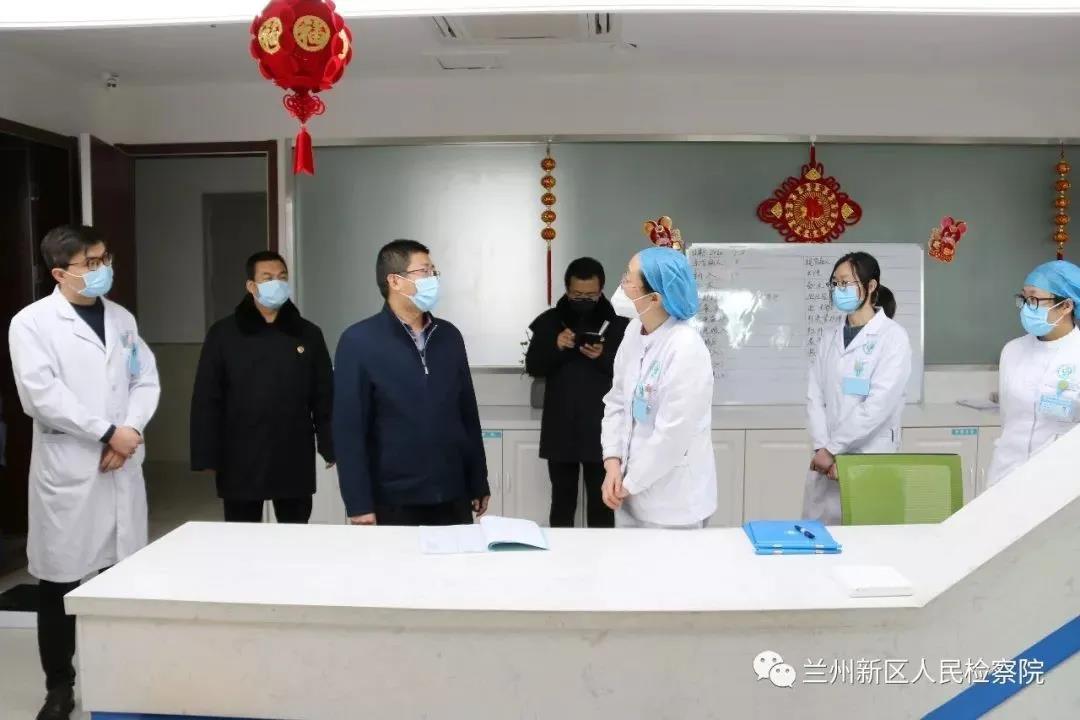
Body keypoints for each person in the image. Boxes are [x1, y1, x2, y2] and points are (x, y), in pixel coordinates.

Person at [8, 225, 160, 720]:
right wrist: (106, 433)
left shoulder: (120, 318)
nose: (103, 269)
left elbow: (145, 379)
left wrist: (128, 431)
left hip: (120, 460)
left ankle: (120, 679)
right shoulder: (32, 323)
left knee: (120, 578)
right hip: (72, 467)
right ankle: (59, 686)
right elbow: (42, 396)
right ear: (60, 273)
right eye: (91, 263)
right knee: (60, 583)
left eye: (104, 258)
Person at [333, 239, 490, 526]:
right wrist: (358, 503)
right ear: (395, 281)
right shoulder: (358, 341)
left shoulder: (449, 336)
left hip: (452, 493)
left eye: (434, 271)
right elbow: (349, 431)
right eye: (424, 271)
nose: (433, 279)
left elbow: (467, 413)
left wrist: (478, 479)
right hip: (394, 499)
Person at [190, 251, 334, 524]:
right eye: (267, 278)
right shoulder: (224, 333)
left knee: (295, 532)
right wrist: (205, 454)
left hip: (292, 450)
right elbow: (207, 397)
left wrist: (330, 443)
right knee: (243, 534)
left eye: (282, 277)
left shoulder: (308, 333)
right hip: (240, 454)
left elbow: (323, 395)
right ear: (251, 285)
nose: (276, 283)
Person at [600, 247, 716, 529]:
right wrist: (612, 461)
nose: (622, 284)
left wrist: (630, 483)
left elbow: (673, 435)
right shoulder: (633, 332)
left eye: (629, 279)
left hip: (673, 503)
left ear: (654, 298)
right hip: (627, 493)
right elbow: (617, 402)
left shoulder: (685, 347)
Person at [804, 251, 912, 524]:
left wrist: (833, 449)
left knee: (867, 538)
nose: (839, 289)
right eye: (835, 283)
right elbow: (815, 395)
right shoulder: (829, 336)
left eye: (846, 282)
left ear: (871, 286)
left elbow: (877, 406)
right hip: (825, 461)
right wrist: (821, 448)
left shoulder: (893, 338)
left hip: (869, 456)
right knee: (821, 537)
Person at [526, 258, 628, 528]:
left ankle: (603, 554)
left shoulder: (620, 326)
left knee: (603, 502)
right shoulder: (549, 322)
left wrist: (602, 356)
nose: (583, 300)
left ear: (601, 290)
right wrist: (556, 346)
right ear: (567, 289)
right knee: (562, 501)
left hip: (603, 429)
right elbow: (533, 366)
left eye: (590, 295)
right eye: (577, 295)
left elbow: (632, 374)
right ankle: (559, 554)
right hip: (561, 427)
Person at [987, 260, 1080, 487]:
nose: (1027, 307)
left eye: (1034, 299)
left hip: (1059, 481)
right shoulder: (1012, 350)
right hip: (1005, 474)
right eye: (1024, 298)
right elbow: (1007, 418)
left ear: (1066, 306)